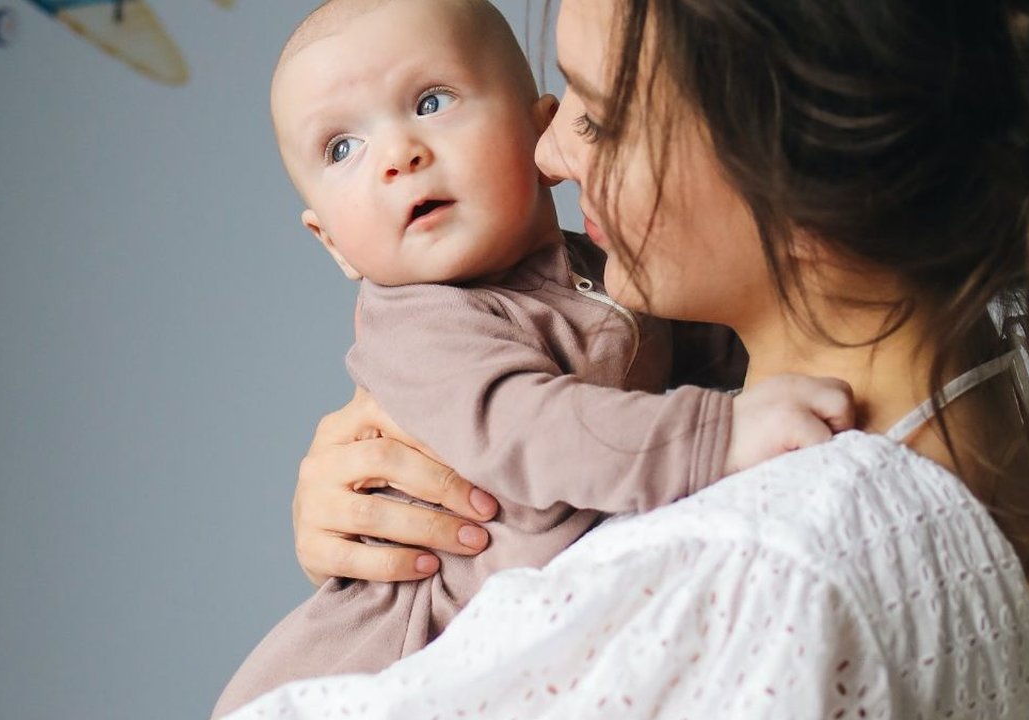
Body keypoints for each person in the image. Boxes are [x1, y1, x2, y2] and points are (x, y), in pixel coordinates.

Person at [233, 0, 1029, 717]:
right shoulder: (962, 413)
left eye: (599, 117)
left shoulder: (763, 572)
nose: (552, 154)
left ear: (802, 176)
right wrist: (380, 527)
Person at [212, 0, 858, 715]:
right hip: (384, 667)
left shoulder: (602, 267)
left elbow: (702, 346)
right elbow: (536, 430)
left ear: (538, 128)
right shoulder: (421, 326)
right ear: (330, 241)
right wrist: (722, 434)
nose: (399, 156)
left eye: (432, 102)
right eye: (342, 148)